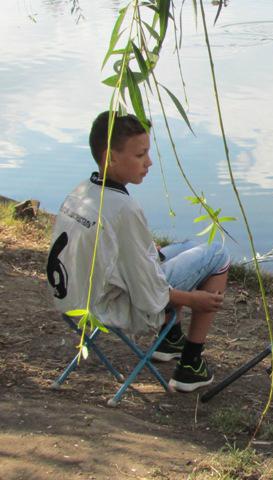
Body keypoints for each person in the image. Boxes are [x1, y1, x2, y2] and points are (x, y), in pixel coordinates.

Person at [46, 111, 230, 393]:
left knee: (191, 247)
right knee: (217, 255)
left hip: (72, 294)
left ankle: (171, 341)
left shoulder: (83, 190)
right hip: (106, 305)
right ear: (111, 157)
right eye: (140, 155)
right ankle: (191, 365)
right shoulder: (124, 208)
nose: (149, 162)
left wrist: (146, 252)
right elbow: (151, 293)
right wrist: (194, 300)